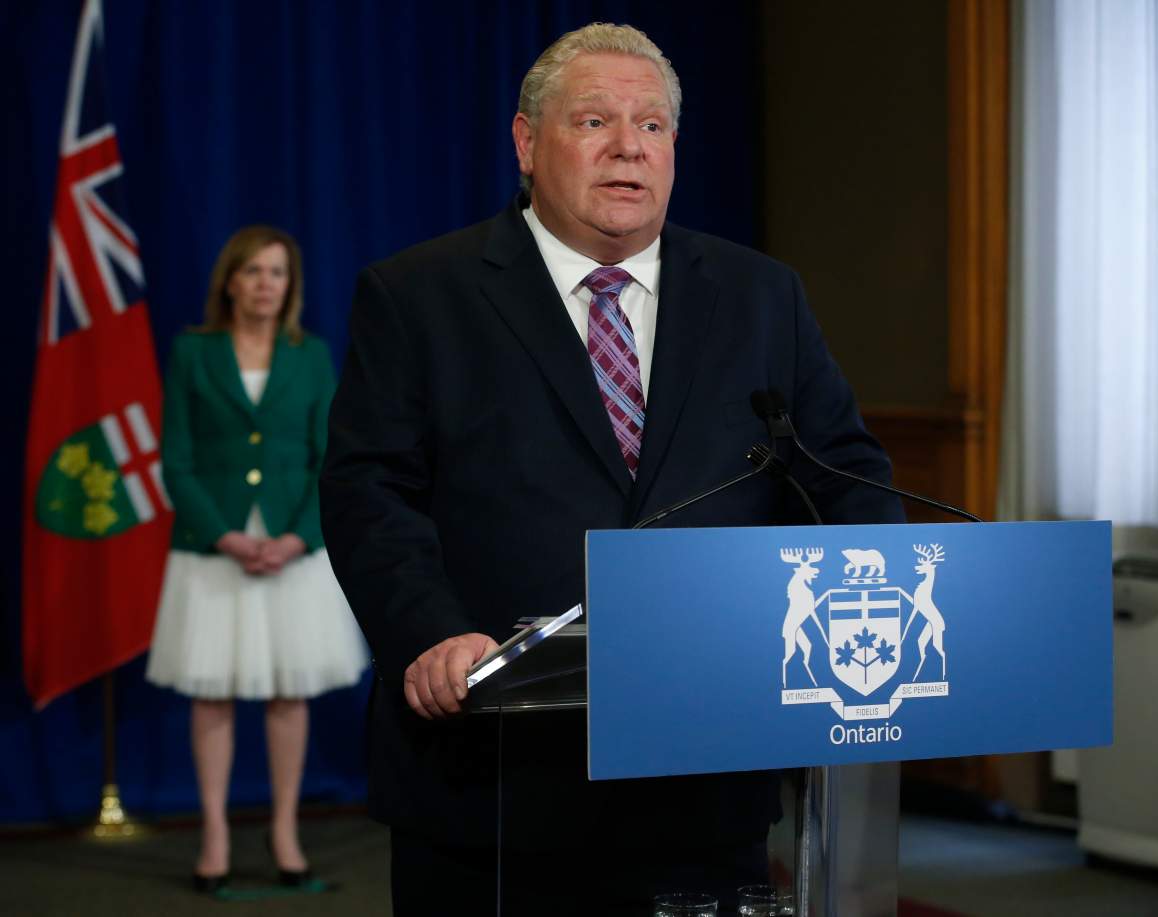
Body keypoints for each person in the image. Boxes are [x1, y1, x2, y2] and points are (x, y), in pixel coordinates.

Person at [320, 23, 904, 916]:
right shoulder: (418, 295)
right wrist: (429, 633)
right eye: (595, 121)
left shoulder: (761, 294)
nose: (630, 146)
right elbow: (369, 491)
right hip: (494, 778)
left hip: (707, 767)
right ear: (526, 143)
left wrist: (875, 590)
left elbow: (846, 477)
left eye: (653, 125)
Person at [146, 225, 368, 893]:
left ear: (289, 285)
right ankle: (214, 834)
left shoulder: (311, 355)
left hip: (293, 550)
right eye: (253, 271)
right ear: (231, 282)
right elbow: (176, 460)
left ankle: (284, 830)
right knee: (211, 692)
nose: (266, 283)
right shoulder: (193, 352)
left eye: (277, 272)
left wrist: (298, 536)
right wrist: (225, 535)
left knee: (287, 691)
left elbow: (331, 457)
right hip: (213, 550)